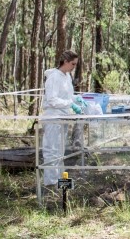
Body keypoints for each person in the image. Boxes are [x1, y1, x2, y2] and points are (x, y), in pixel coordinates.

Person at [41, 50, 86, 186]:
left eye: (75, 64)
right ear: (65, 62)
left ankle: (60, 180)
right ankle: (50, 182)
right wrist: (70, 103)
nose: (74, 67)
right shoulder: (54, 77)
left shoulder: (67, 76)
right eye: (72, 64)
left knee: (60, 151)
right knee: (52, 150)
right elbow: (52, 99)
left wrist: (75, 99)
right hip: (53, 117)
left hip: (63, 117)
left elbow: (65, 96)